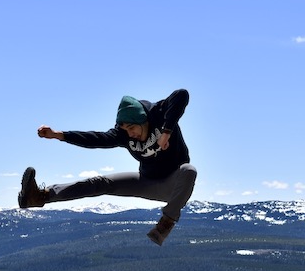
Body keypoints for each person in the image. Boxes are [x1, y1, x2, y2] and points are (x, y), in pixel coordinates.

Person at [18, 89, 196, 246]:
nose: (130, 134)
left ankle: (164, 227)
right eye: (125, 130)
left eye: (132, 128)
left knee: (189, 170)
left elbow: (181, 95)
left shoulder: (159, 113)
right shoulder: (123, 135)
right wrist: (59, 135)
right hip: (147, 181)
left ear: (143, 120)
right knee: (101, 182)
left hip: (173, 184)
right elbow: (96, 139)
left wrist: (166, 133)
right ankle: (38, 197)